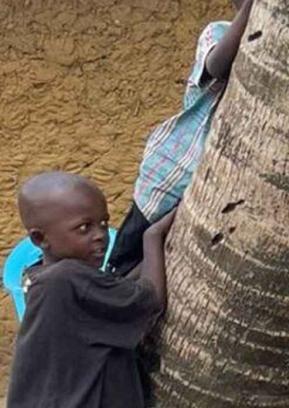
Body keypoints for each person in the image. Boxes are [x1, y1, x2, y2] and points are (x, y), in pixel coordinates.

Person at [105, 0, 264, 276]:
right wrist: (252, 8)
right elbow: (217, 66)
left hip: (212, 186)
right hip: (172, 176)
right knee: (126, 262)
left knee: (171, 258)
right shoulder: (218, 32)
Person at [7, 172, 175, 408]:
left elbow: (121, 286)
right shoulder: (66, 278)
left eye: (103, 223)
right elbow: (152, 299)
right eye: (84, 228)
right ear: (40, 238)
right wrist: (153, 236)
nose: (100, 236)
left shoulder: (41, 278)